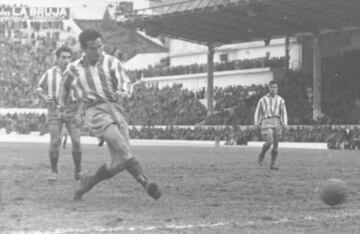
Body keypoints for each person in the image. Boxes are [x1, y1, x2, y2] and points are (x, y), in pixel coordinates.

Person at [60, 29, 161, 201]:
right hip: (95, 111)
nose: (98, 51)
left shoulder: (112, 63)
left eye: (100, 46)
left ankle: (88, 183)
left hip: (116, 109)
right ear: (84, 49)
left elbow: (126, 83)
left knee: (119, 163)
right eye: (93, 48)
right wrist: (64, 107)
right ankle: (146, 183)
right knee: (122, 146)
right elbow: (65, 88)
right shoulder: (73, 69)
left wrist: (123, 92)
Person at [37, 46, 83, 182]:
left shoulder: (76, 74)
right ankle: (54, 171)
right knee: (55, 141)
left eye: (69, 57)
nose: (66, 60)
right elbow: (39, 87)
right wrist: (44, 96)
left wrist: (79, 113)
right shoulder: (49, 73)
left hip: (72, 109)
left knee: (76, 141)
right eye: (63, 57)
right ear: (57, 58)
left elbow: (82, 96)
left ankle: (78, 171)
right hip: (55, 109)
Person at [254, 80, 287, 170]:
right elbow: (258, 111)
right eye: (272, 87)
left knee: (276, 145)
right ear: (269, 88)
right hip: (266, 121)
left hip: (277, 122)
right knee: (269, 141)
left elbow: (283, 112)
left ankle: (273, 164)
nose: (273, 89)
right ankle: (262, 154)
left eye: (275, 87)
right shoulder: (262, 100)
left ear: (277, 88)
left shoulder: (281, 100)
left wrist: (284, 123)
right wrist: (257, 122)